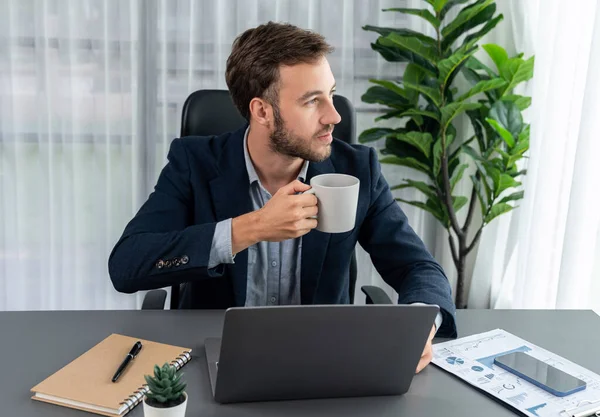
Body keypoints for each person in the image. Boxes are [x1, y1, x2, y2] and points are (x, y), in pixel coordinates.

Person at [109, 22, 457, 373]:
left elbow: (418, 267)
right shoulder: (194, 163)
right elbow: (126, 265)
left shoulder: (359, 168)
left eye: (331, 94)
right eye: (312, 101)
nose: (333, 116)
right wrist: (251, 228)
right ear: (262, 111)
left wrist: (419, 325)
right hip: (214, 358)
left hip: (323, 364)